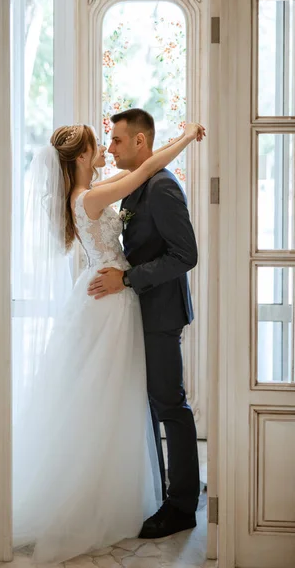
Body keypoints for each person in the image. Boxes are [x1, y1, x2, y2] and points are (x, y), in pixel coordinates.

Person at [13, 121, 204, 563]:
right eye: (101, 145)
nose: (107, 149)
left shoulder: (90, 192)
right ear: (81, 157)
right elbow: (143, 170)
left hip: (114, 295)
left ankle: (155, 494)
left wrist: (177, 140)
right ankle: (112, 493)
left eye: (114, 141)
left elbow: (144, 174)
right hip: (109, 300)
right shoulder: (91, 197)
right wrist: (187, 136)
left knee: (125, 397)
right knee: (110, 397)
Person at [88, 109, 203, 539]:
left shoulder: (162, 187)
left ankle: (183, 506)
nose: (111, 147)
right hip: (138, 311)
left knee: (169, 404)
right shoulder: (136, 188)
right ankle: (160, 490)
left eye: (117, 140)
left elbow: (185, 255)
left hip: (160, 313)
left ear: (141, 142)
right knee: (150, 405)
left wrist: (128, 278)